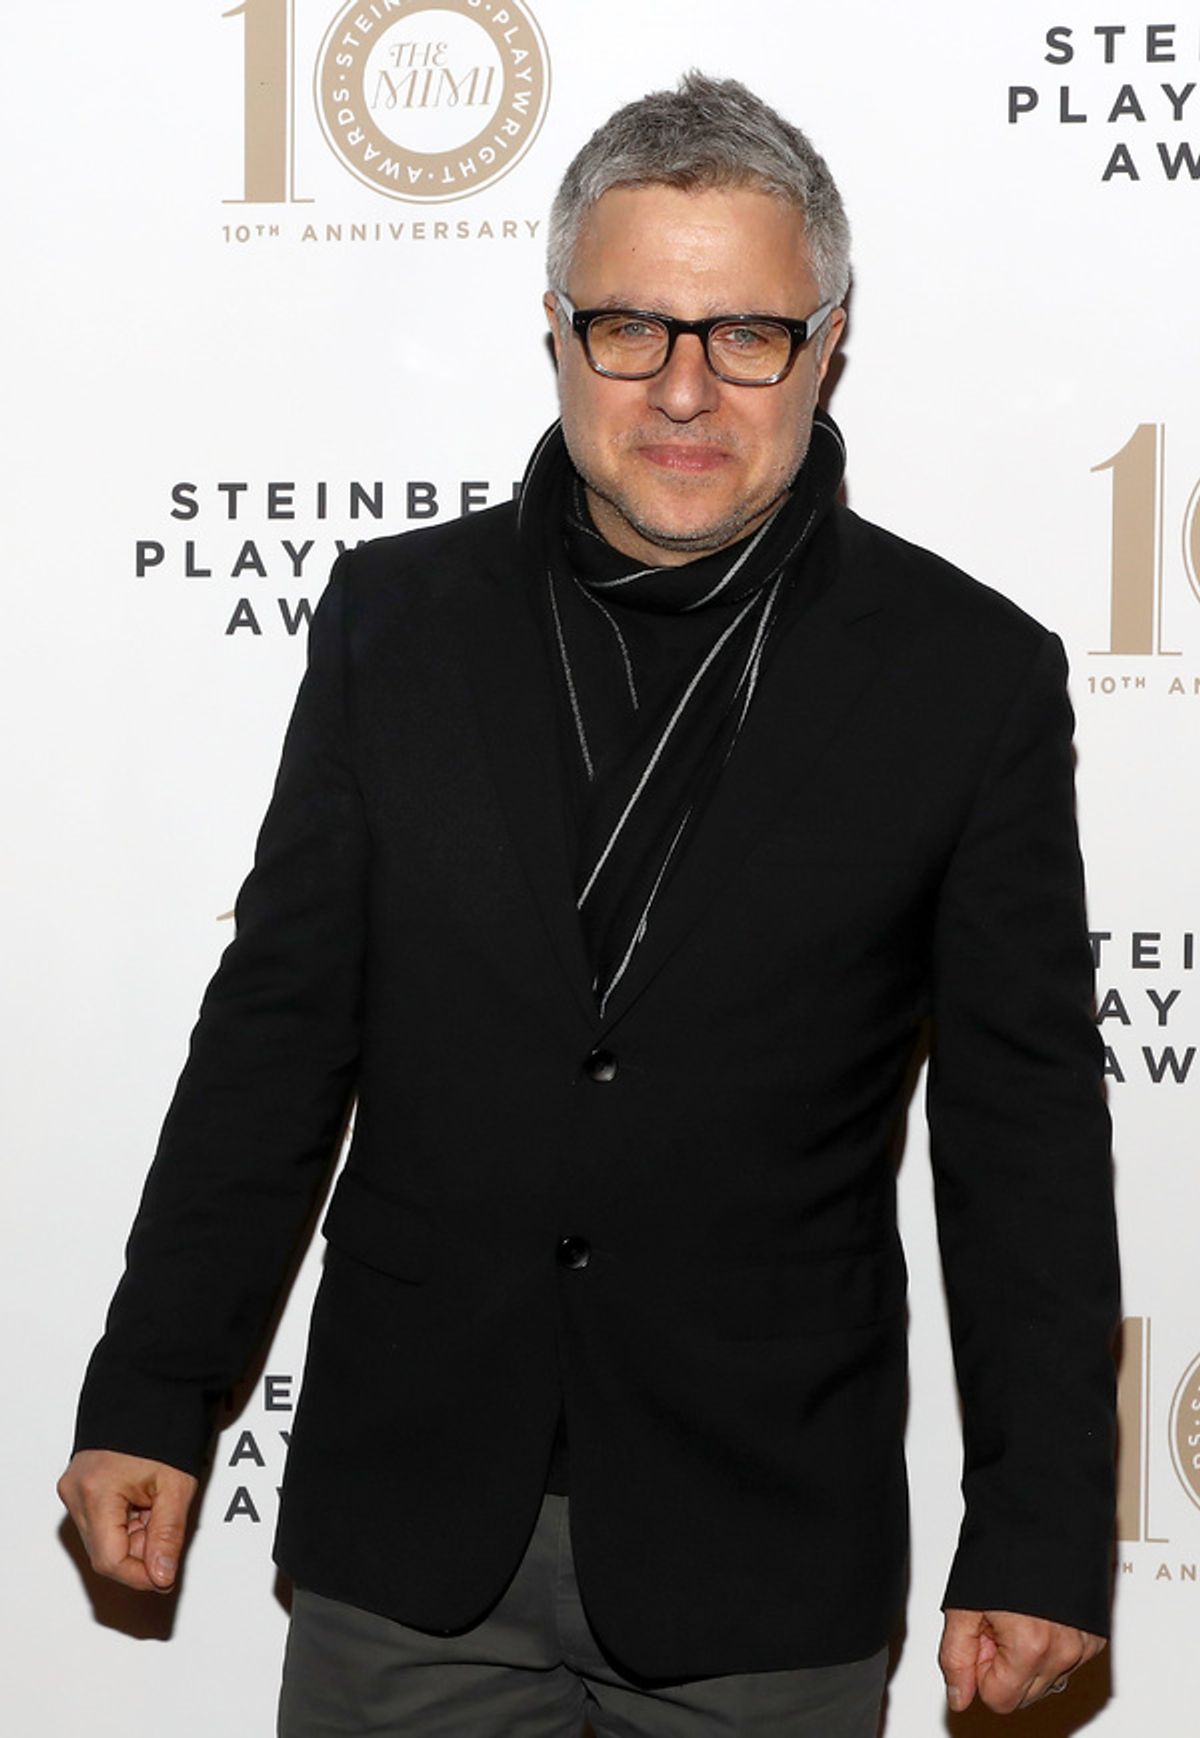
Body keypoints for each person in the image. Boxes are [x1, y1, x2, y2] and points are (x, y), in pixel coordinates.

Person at [59, 73, 1119, 1737]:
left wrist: (1046, 1526)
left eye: (747, 332)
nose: (686, 387)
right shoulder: (394, 623)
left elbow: (1026, 1138)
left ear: (828, 342)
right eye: (632, 326)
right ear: (555, 332)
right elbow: (275, 1033)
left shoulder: (968, 679)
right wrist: (153, 1387)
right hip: (407, 1528)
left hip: (762, 1541)